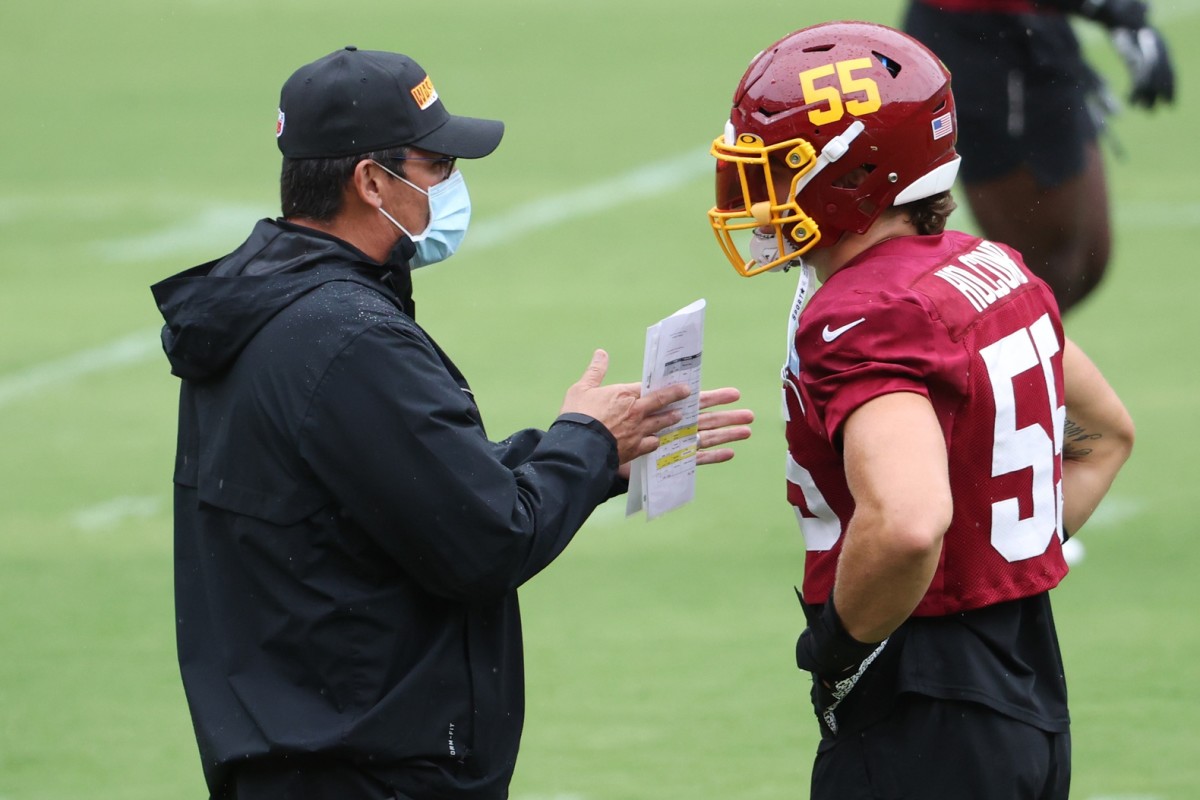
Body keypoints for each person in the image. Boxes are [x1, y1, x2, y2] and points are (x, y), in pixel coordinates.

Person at [151, 46, 753, 800]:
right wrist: (584, 442)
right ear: (371, 181)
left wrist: (601, 453)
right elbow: (485, 539)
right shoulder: (349, 336)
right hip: (365, 767)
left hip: (305, 749)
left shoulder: (272, 308)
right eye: (437, 165)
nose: (454, 185)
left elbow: (404, 489)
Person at [707, 22, 1133, 798]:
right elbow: (1103, 437)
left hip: (927, 703)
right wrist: (1002, 550)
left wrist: (842, 647)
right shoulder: (988, 265)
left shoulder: (866, 312)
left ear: (859, 171)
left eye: (776, 167)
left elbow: (905, 523)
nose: (752, 193)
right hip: (1025, 677)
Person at [902, 0, 1175, 313]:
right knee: (1043, 275)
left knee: (1085, 265)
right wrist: (1117, 12)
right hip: (980, 38)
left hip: (1038, 23)